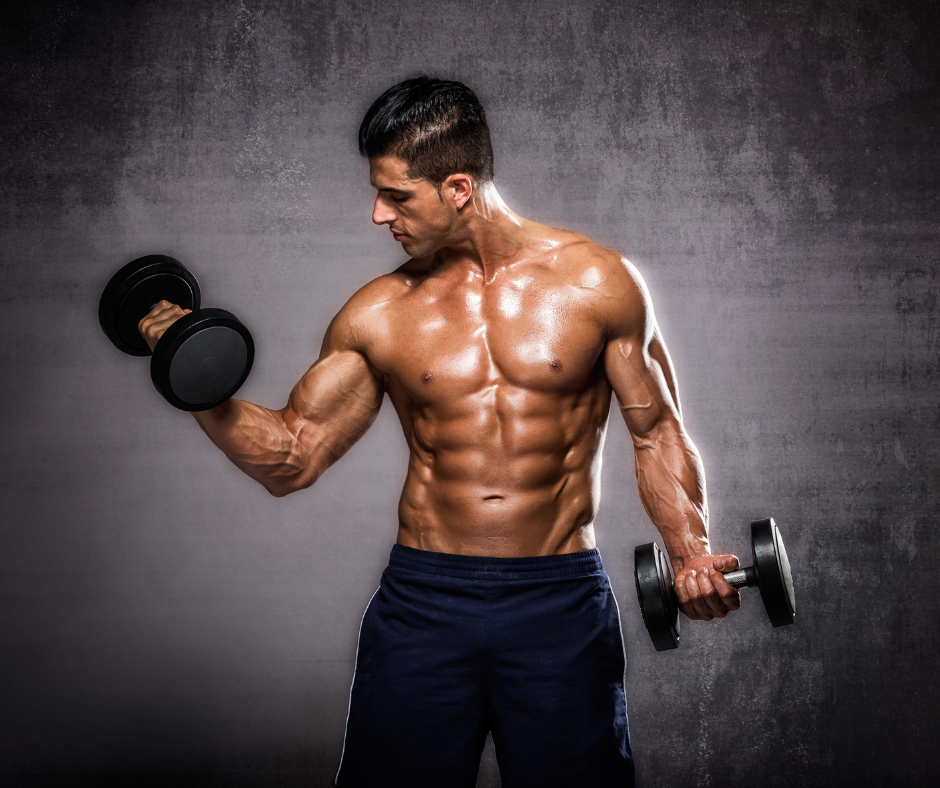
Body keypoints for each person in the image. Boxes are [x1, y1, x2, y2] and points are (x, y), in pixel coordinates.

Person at [139, 76, 741, 788]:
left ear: (458, 187)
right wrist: (194, 377)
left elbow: (656, 432)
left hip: (558, 603)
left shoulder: (598, 286)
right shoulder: (380, 313)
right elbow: (290, 459)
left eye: (396, 196)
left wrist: (691, 551)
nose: (376, 215)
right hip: (424, 603)